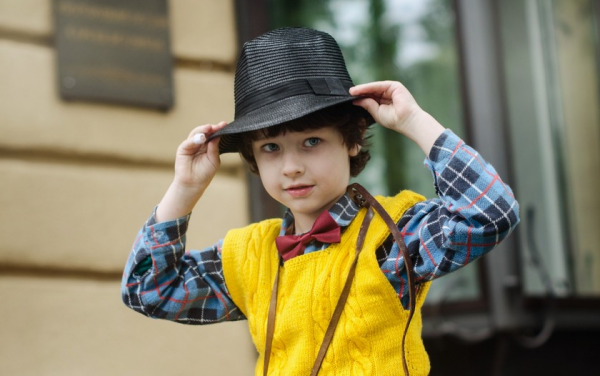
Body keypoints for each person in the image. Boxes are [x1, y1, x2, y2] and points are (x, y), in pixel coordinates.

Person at [122, 27, 519, 376]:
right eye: (271, 147)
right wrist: (186, 189)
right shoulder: (250, 257)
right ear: (254, 159)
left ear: (350, 141)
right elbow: (147, 288)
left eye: (312, 141)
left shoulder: (392, 237)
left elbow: (490, 212)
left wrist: (413, 122)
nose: (291, 167)